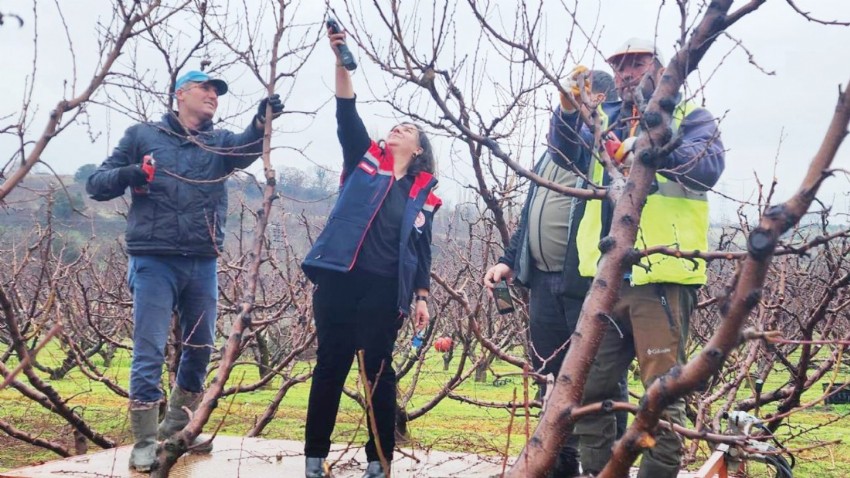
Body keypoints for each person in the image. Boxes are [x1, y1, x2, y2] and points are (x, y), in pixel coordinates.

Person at [86, 70, 283, 472]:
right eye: (205, 88)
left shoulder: (218, 142)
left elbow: (246, 148)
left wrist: (262, 121)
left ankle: (176, 428)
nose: (213, 95)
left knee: (200, 348)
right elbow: (96, 184)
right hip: (154, 257)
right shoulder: (143, 135)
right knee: (149, 348)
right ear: (180, 95)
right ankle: (143, 439)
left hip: (201, 258)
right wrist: (132, 173)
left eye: (217, 91)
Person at [554, 38, 725, 477]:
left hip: (660, 275)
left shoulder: (692, 118)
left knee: (660, 397)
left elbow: (705, 167)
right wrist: (569, 108)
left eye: (638, 64)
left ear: (662, 69)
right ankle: (600, 473)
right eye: (620, 66)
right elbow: (562, 153)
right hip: (607, 279)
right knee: (589, 391)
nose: (628, 73)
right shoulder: (603, 121)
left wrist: (649, 148)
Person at [299, 27, 441, 478]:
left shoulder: (423, 195)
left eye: (407, 130)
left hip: (385, 291)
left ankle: (378, 461)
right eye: (394, 127)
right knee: (330, 366)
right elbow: (346, 109)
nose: (397, 130)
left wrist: (421, 296)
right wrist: (341, 59)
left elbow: (422, 249)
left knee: (379, 373)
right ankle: (314, 459)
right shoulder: (363, 161)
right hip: (339, 280)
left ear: (419, 149)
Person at [483, 70, 626, 478]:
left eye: (582, 95)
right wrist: (510, 258)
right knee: (551, 377)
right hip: (543, 282)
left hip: (586, 281)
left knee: (597, 379)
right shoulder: (553, 149)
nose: (571, 101)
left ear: (600, 98)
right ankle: (557, 466)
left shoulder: (605, 145)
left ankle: (604, 466)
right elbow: (531, 213)